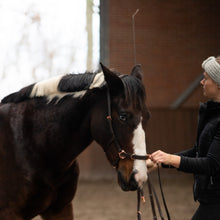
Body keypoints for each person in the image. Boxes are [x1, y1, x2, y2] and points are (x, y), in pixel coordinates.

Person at [148, 56, 220, 220]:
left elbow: (211, 164)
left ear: (218, 84)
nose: (201, 82)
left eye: (206, 78)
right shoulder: (212, 114)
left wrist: (170, 158)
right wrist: (162, 161)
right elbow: (197, 152)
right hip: (211, 200)